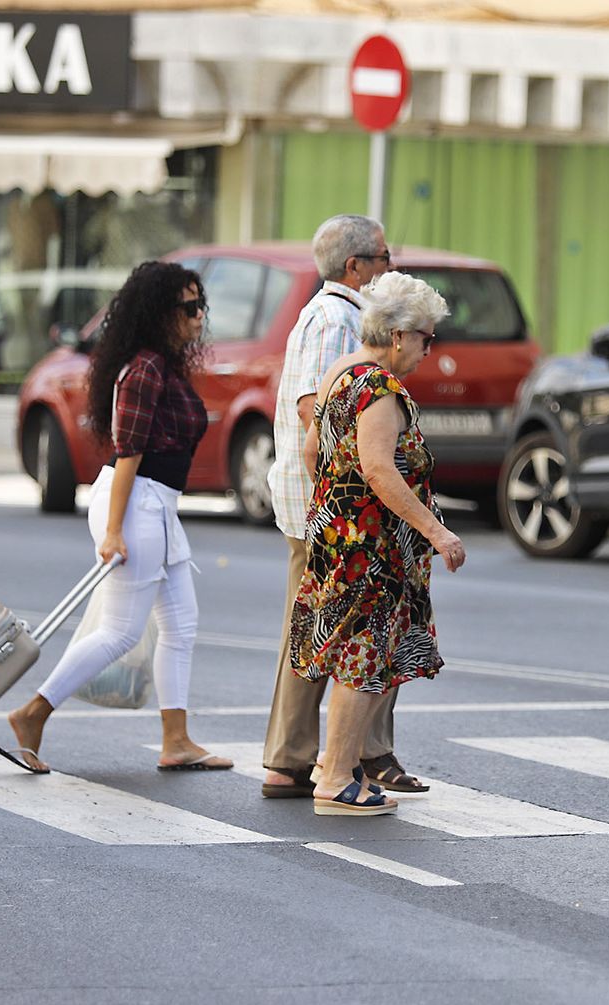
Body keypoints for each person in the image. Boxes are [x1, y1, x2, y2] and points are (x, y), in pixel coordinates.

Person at [0, 261, 233, 775]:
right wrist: (115, 531)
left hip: (158, 507)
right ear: (159, 314)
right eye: (189, 308)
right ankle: (33, 713)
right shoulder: (142, 370)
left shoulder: (162, 366)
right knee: (122, 631)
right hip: (136, 502)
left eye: (200, 306)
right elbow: (128, 456)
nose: (198, 317)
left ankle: (177, 739)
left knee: (181, 625)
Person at [259, 215, 428, 798]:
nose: (391, 265)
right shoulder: (338, 319)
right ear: (356, 266)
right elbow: (320, 413)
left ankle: (350, 756)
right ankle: (301, 759)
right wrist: (344, 500)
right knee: (331, 632)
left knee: (337, 630)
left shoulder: (332, 314)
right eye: (384, 256)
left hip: (330, 506)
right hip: (335, 512)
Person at [289, 271, 466, 815]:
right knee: (363, 661)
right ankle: (337, 776)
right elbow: (379, 471)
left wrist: (336, 509)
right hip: (371, 551)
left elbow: (311, 450)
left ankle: (333, 765)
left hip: (342, 539)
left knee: (354, 657)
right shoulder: (381, 389)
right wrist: (436, 531)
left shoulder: (342, 374)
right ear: (398, 335)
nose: (427, 351)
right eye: (425, 338)